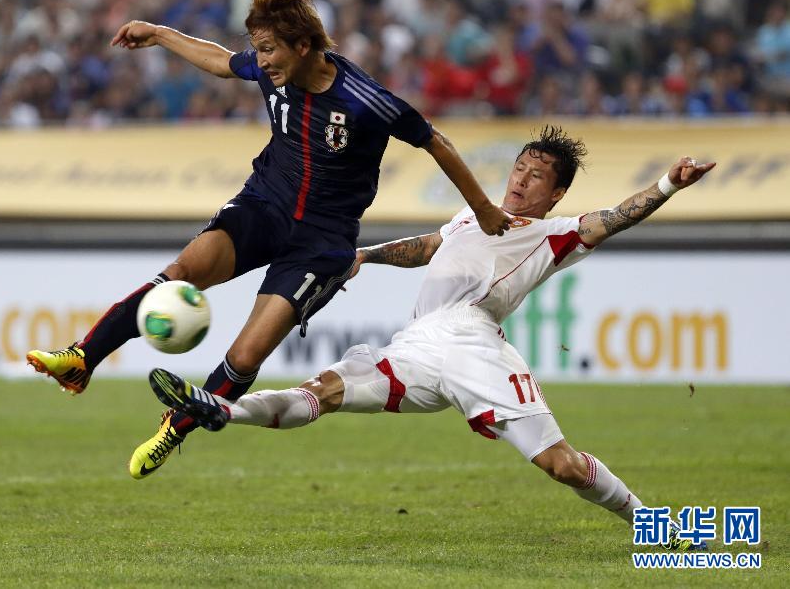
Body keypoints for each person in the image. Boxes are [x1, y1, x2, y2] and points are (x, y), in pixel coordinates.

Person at [140, 125, 715, 551]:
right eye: (520, 167)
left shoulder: (553, 234)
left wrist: (669, 183)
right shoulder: (475, 217)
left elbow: (615, 216)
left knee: (560, 466)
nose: (521, 179)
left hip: (473, 344)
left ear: (556, 194)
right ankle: (218, 409)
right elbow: (429, 248)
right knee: (326, 390)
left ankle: (657, 529)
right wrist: (366, 255)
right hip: (415, 346)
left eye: (537, 175)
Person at [25, 0, 511, 444]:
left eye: (269, 49)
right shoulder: (269, 69)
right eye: (257, 49)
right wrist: (160, 34)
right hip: (264, 205)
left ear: (302, 45)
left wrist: (485, 210)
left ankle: (175, 429)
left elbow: (436, 142)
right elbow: (220, 61)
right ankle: (82, 358)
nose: (260, 61)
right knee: (179, 274)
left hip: (321, 241)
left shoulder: (365, 101)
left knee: (247, 353)